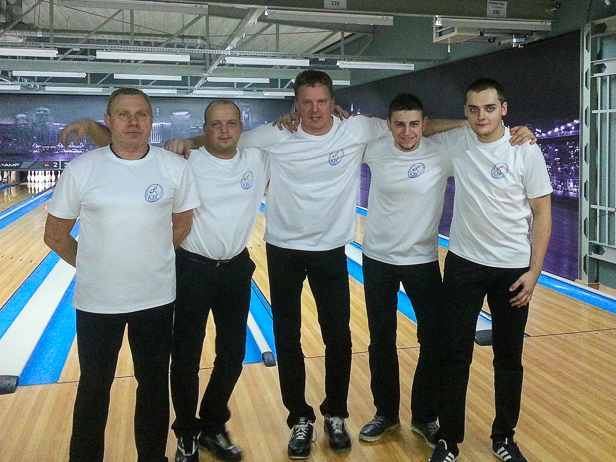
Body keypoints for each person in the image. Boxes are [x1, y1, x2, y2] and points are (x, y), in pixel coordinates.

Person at [60, 99, 270, 462]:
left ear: (241, 127)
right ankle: (187, 434)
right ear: (204, 129)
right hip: (191, 269)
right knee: (184, 359)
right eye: (215, 124)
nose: (224, 130)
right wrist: (91, 126)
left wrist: (296, 118)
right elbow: (128, 157)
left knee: (233, 355)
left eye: (231, 123)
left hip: (236, 269)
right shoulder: (185, 160)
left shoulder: (257, 159)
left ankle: (213, 425)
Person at [44, 88, 200, 462]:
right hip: (98, 302)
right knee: (94, 388)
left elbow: (183, 222)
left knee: (153, 387)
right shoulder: (82, 169)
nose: (133, 122)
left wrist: (152, 259)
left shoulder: (174, 168)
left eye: (141, 114)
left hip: (156, 299)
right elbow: (55, 235)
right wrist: (96, 267)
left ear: (151, 121)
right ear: (109, 121)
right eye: (124, 115)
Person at [427, 79, 552, 462]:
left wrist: (534, 273)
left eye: (489, 108)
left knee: (509, 359)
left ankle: (504, 438)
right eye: (474, 109)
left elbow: (543, 213)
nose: (482, 115)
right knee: (454, 355)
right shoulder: (458, 140)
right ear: (466, 111)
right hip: (463, 265)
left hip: (512, 269)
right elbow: (423, 126)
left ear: (504, 109)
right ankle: (448, 439)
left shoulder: (525, 149)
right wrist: (463, 124)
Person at [358, 93, 451, 447]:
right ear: (389, 125)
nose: (407, 132)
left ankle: (425, 416)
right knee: (381, 340)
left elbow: (477, 130)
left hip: (422, 260)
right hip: (377, 259)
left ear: (425, 124)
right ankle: (386, 413)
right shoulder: (376, 149)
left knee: (434, 339)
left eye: (414, 124)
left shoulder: (442, 152)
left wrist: (515, 131)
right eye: (399, 124)